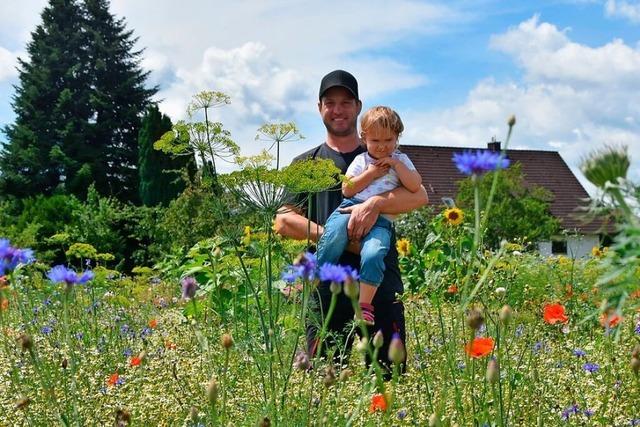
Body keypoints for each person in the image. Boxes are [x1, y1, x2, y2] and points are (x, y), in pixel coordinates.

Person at [274, 70, 428, 370]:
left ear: (358, 107)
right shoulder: (306, 163)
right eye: (330, 102)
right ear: (319, 108)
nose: (338, 110)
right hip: (326, 290)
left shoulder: (380, 151)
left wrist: (374, 204)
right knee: (326, 383)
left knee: (388, 377)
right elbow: (283, 221)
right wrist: (339, 236)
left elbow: (419, 196)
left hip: (379, 285)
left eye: (346, 102)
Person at [317, 106, 421, 326]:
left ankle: (364, 306)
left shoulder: (401, 160)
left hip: (382, 219)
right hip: (350, 207)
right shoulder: (361, 161)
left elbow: (415, 186)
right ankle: (315, 276)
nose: (382, 147)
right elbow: (347, 189)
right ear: (364, 138)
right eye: (375, 141)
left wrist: (396, 165)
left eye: (388, 140)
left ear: (397, 138)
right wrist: (372, 173)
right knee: (333, 235)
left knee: (375, 254)